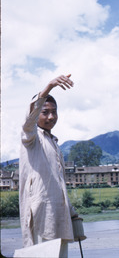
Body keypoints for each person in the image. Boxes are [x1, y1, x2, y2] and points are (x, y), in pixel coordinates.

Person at [19, 74, 78, 257]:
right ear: (37, 114)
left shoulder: (53, 142)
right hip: (41, 214)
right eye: (45, 112)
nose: (51, 117)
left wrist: (72, 211)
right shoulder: (31, 137)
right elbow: (29, 121)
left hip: (59, 216)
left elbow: (58, 183)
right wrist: (49, 87)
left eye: (54, 111)